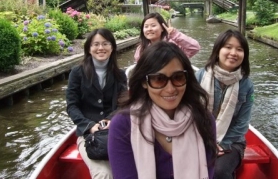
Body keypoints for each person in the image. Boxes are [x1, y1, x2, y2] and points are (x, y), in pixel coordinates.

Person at [109, 41, 217, 179]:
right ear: (144, 82)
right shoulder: (123, 125)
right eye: (159, 79)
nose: (170, 89)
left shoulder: (205, 120)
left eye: (178, 77)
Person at [66, 28, 127, 179]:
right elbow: (72, 106)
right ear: (89, 48)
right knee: (103, 174)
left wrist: (111, 119)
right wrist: (89, 125)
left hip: (115, 132)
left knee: (127, 170)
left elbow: (123, 104)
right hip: (88, 135)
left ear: (112, 47)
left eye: (105, 44)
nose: (101, 48)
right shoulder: (77, 73)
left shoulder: (120, 75)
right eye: (96, 44)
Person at [195, 29, 254, 179]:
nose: (233, 53)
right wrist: (206, 142)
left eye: (239, 49)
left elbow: (242, 123)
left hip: (232, 141)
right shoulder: (200, 76)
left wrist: (222, 144)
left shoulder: (246, 85)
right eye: (228, 47)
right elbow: (189, 113)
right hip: (198, 137)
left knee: (219, 171)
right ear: (218, 50)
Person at [134, 12, 200, 62]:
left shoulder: (173, 45)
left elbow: (194, 48)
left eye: (153, 25)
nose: (149, 29)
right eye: (146, 26)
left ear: (162, 28)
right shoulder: (141, 49)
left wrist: (175, 34)